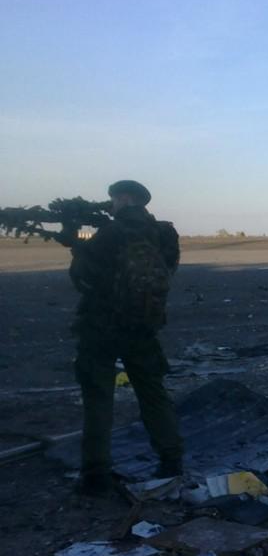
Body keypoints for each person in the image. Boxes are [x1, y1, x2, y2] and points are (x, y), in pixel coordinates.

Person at [69, 180, 183, 495]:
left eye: (114, 199)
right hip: (143, 326)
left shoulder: (110, 233)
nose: (111, 204)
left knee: (98, 398)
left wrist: (77, 247)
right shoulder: (164, 232)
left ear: (125, 198)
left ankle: (95, 475)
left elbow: (82, 277)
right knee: (153, 393)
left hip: (101, 327)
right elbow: (168, 271)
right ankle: (172, 459)